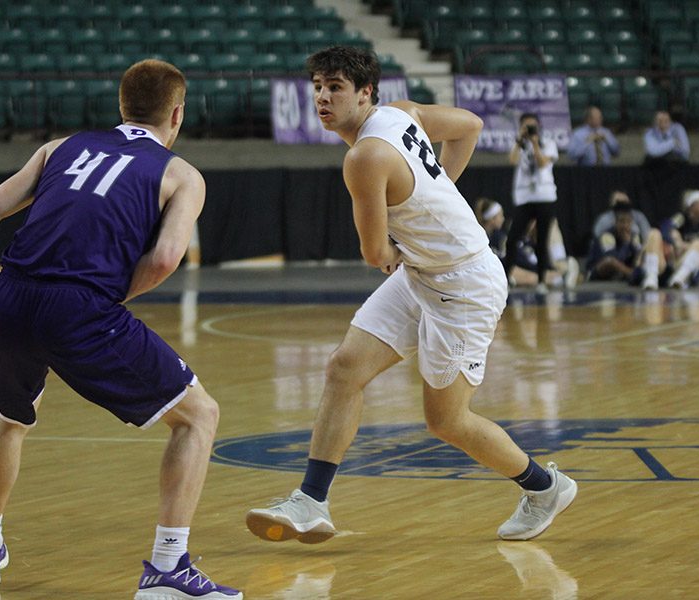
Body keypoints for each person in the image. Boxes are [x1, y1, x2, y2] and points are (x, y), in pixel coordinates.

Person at [0, 60, 241, 600]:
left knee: (10, 416)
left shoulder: (60, 146)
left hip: (10, 295)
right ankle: (168, 569)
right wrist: (100, 299)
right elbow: (168, 258)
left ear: (122, 106)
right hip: (78, 306)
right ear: (177, 113)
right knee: (199, 417)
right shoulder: (181, 174)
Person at [245, 46, 576, 546]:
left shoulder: (365, 157)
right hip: (425, 271)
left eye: (335, 87)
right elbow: (469, 127)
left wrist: (415, 217)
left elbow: (376, 252)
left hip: (463, 284)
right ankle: (311, 502)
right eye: (317, 87)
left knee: (447, 421)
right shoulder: (403, 113)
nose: (322, 97)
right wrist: (438, 189)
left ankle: (545, 487)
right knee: (344, 368)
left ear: (364, 93)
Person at [504, 112, 560, 294]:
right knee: (513, 238)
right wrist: (520, 140)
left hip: (544, 197)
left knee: (542, 240)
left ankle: (542, 280)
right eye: (526, 126)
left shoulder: (548, 143)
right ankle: (505, 278)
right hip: (524, 198)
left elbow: (543, 163)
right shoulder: (518, 145)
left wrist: (535, 143)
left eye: (532, 126)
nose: (529, 130)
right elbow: (511, 161)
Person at [640, 189, 699, 289]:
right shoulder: (682, 218)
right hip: (674, 259)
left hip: (692, 262)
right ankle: (651, 277)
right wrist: (675, 242)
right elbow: (665, 228)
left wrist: (684, 245)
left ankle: (680, 278)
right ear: (691, 206)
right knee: (654, 233)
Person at [586, 202, 643, 282]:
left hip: (622, 269)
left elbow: (639, 255)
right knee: (611, 261)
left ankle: (634, 274)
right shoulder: (607, 236)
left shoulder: (634, 235)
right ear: (616, 223)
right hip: (597, 269)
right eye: (622, 222)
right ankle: (633, 275)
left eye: (628, 222)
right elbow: (614, 258)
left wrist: (634, 249)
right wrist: (626, 243)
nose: (625, 226)